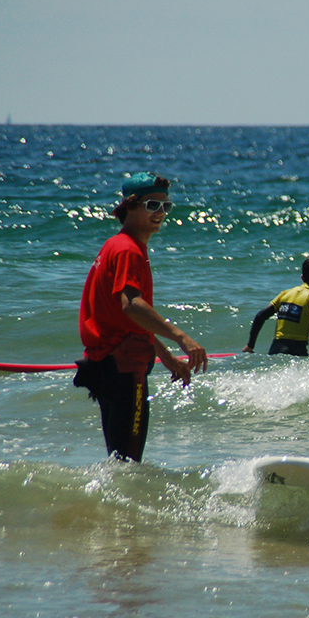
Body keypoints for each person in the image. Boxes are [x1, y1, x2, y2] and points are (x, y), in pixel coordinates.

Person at [74, 172, 209, 462]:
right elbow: (132, 306)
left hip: (108, 364)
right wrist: (182, 338)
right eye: (152, 205)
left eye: (166, 206)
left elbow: (128, 322)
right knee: (128, 463)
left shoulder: (115, 245)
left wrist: (167, 357)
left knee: (118, 460)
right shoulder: (128, 251)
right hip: (124, 370)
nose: (161, 213)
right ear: (130, 206)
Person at [242, 255, 309, 356]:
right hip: (296, 352)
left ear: (302, 278)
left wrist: (250, 345)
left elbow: (260, 315)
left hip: (274, 351)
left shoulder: (285, 294)